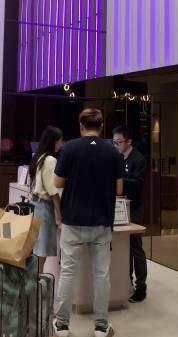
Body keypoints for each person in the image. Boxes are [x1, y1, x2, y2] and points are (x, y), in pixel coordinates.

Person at [53, 108, 123, 337]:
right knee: (101, 275)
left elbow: (58, 182)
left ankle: (62, 325)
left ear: (81, 125)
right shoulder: (113, 152)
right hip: (102, 222)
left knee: (68, 273)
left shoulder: (69, 148)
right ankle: (101, 327)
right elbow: (119, 188)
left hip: (72, 221)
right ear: (101, 126)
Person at [112, 126, 148, 303]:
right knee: (122, 246)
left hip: (133, 208)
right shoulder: (118, 157)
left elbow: (137, 183)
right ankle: (127, 282)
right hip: (119, 206)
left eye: (119, 142)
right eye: (114, 142)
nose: (116, 145)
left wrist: (118, 178)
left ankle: (141, 287)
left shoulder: (138, 159)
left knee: (135, 246)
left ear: (129, 142)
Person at [28, 125, 64, 273]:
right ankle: (36, 287)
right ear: (54, 141)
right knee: (41, 253)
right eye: (61, 141)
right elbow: (53, 191)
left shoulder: (39, 157)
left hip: (36, 206)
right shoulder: (49, 160)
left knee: (37, 252)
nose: (62, 144)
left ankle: (34, 286)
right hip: (44, 209)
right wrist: (59, 216)